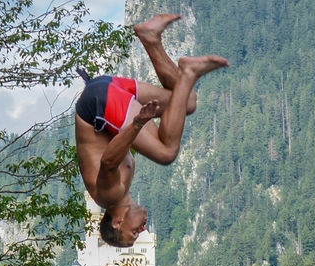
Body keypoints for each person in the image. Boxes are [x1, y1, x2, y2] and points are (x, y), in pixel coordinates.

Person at [74, 13, 228, 247]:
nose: (142, 230)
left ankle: (187, 73)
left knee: (165, 152)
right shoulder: (121, 190)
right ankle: (150, 38)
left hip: (97, 104)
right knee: (188, 101)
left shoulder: (108, 196)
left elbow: (107, 162)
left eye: (134, 234)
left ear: (118, 223)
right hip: (104, 90)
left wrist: (137, 123)